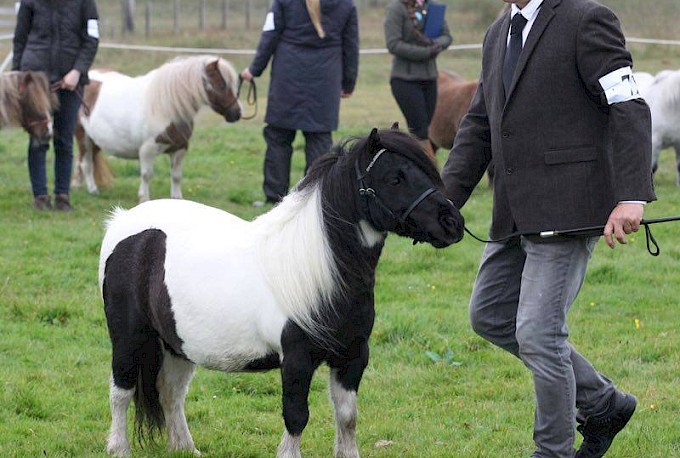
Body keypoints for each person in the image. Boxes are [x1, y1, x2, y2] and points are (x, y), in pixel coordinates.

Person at [440, 1, 655, 457]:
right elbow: (480, 124)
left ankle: (552, 451)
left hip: (570, 207)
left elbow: (628, 104)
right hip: (513, 210)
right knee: (491, 314)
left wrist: (632, 194)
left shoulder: (587, 19)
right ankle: (602, 402)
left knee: (539, 333)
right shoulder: (499, 31)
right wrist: (444, 202)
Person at [240, 0, 359, 205]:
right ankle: (313, 200)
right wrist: (348, 83)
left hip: (288, 78)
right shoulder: (346, 4)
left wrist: (253, 70)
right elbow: (351, 46)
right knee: (319, 141)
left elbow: (270, 36)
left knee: (278, 137)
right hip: (325, 81)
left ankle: (274, 198)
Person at [12, 0, 99, 211]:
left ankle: (62, 196)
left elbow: (92, 39)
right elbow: (20, 38)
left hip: (69, 82)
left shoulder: (85, 3)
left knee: (64, 140)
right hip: (34, 79)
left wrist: (77, 71)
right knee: (38, 139)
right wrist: (19, 76)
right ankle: (40, 197)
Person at [384, 0, 452, 163]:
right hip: (405, 79)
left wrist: (436, 44)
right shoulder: (396, 8)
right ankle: (431, 172)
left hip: (429, 78)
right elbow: (393, 44)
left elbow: (447, 36)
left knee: (423, 130)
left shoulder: (432, 8)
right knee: (419, 130)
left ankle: (411, 168)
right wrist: (425, 52)